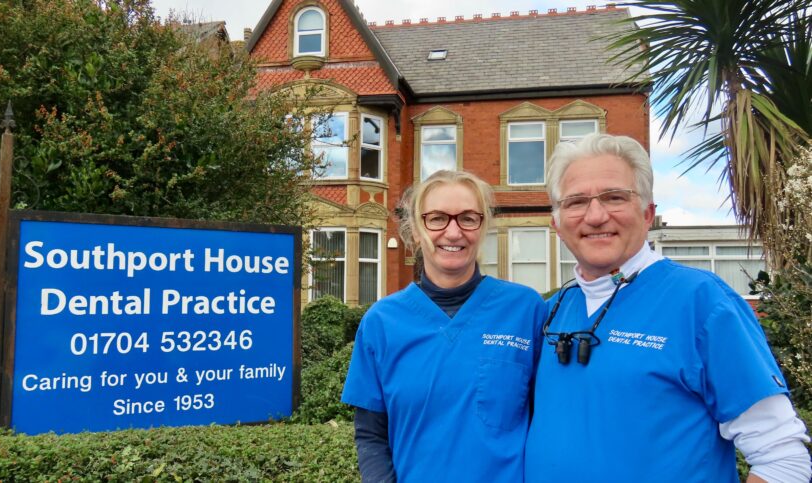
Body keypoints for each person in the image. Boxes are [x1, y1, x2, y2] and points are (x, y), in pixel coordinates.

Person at [525, 133, 811, 482]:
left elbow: (782, 458)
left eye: (614, 197)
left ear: (647, 214)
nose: (596, 215)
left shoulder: (702, 302)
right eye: (576, 202)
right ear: (556, 223)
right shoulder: (552, 312)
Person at [341, 170, 546, 482]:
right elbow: (371, 435)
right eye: (437, 218)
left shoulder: (525, 310)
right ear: (416, 229)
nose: (453, 232)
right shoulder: (381, 323)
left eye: (468, 218)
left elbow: (547, 417)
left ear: (483, 226)